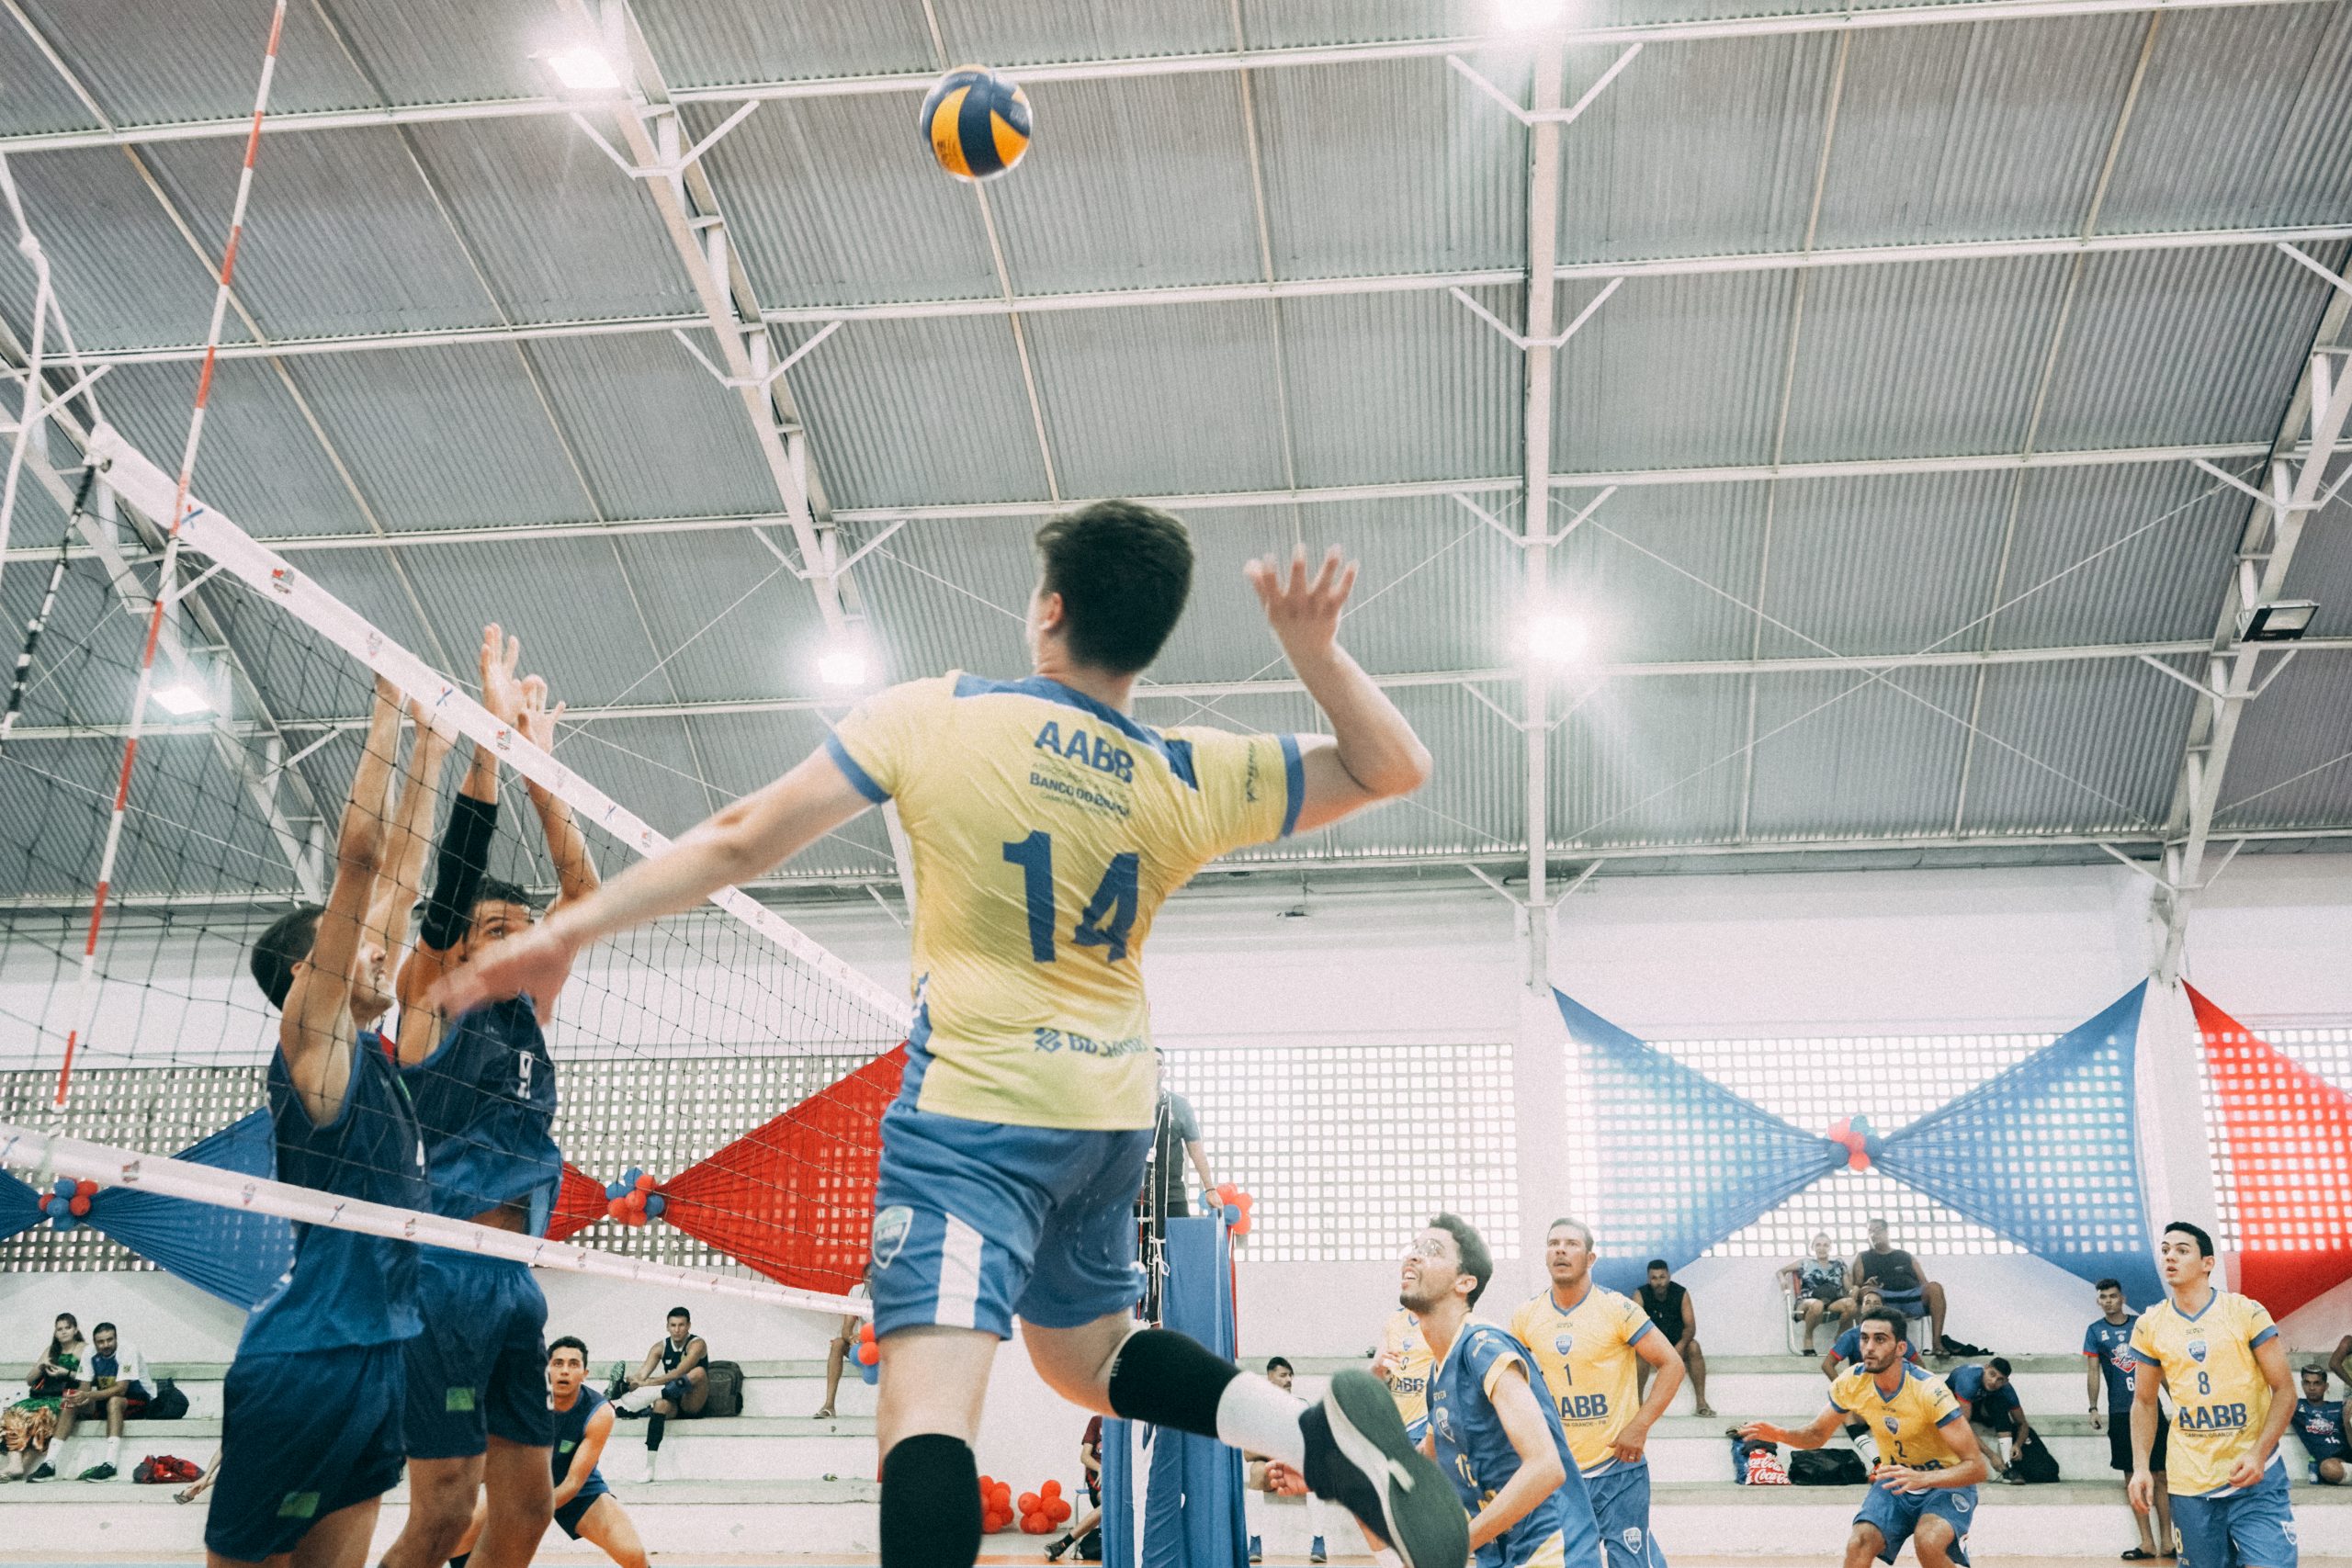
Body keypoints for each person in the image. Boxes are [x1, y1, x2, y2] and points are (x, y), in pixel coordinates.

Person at [437, 511, 1456, 1568]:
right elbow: (1395, 766)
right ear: (1150, 641)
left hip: (975, 1117)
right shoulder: (1182, 768)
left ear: (1049, 610)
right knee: (1086, 1358)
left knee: (925, 1417)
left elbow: (740, 838)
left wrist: (565, 932)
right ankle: (1309, 1435)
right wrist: (1314, 652)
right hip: (1109, 1119)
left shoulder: (939, 716)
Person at [208, 680, 435, 1568]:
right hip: (306, 1360)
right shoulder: (314, 1045)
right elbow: (365, 862)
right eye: (361, 947)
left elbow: (404, 874)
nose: (385, 947)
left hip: (380, 1350)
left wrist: (436, 740)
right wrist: (384, 711)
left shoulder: (370, 1048)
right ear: (316, 973)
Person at [383, 637, 595, 1568]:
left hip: (514, 1284)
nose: (519, 943)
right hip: (441, 1277)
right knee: (440, 1515)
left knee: (528, 1510)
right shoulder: (430, 996)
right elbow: (451, 893)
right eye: (497, 931)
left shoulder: (530, 1010)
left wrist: (541, 770)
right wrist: (484, 746)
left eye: (525, 930)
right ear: (462, 946)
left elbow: (585, 893)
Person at [1408, 1213, 1602, 1568]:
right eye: (1415, 1248)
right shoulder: (1438, 1374)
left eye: (1432, 1250)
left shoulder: (1483, 1346)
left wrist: (1453, 1546)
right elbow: (1423, 1461)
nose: (1414, 1256)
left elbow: (1546, 1468)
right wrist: (1325, 1473)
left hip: (1551, 1550)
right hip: (1500, 1553)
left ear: (1465, 1282)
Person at [1737, 1308, 1988, 1568]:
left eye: (1880, 1339)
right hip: (1895, 1482)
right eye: (1864, 1338)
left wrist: (1921, 1478)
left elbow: (1977, 1468)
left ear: (1900, 1347)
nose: (1869, 1347)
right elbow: (1817, 1435)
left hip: (1944, 1483)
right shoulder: (1853, 1381)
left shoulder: (1929, 1390)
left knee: (1928, 1542)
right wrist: (1779, 1434)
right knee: (1859, 1543)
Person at [1510, 1219, 1682, 1568]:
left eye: (1571, 1243)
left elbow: (1672, 1364)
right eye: (1553, 1243)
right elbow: (1512, 1384)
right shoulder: (1526, 1316)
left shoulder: (1618, 1309)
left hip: (1617, 1467)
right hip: (1560, 1470)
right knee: (1570, 1562)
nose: (1560, 1249)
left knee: (1633, 1560)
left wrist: (1640, 1425)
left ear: (1590, 1258)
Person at [2127, 1222, 2297, 1568]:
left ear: (2208, 1263)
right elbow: (2144, 1402)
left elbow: (2285, 1391)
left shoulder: (2246, 1312)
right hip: (2191, 1482)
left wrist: (2258, 1453)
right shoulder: (2150, 1324)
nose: (2170, 1256)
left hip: (2253, 1477)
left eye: (2182, 1250)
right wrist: (2141, 1467)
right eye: (2165, 1250)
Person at [450, 1337, 648, 1568]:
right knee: (458, 1538)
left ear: (585, 1373)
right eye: (558, 1363)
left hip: (577, 1489)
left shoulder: (600, 1412)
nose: (565, 1371)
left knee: (633, 1554)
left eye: (573, 1365)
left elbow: (574, 1482)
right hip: (519, 1487)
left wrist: (530, 1511)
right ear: (547, 1367)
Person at [2083, 1277, 2172, 1561]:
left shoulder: (2141, 1324)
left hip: (2150, 1408)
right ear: (2099, 1301)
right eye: (2103, 1297)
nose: (2108, 1300)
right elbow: (2094, 1371)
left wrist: (2178, 1400)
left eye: (2112, 1296)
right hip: (2121, 1413)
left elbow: (2161, 1366)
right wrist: (2093, 1407)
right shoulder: (2095, 1331)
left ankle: (2168, 1542)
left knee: (2161, 1476)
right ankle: (2147, 1542)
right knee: (2133, 1477)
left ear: (2122, 1297)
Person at [1245, 1359, 1331, 1565]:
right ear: (1269, 1378)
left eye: (1290, 1375)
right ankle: (1255, 1542)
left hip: (1295, 1467)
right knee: (1256, 1471)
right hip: (1271, 1467)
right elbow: (1248, 1453)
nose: (1289, 1380)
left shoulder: (1301, 1406)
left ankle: (1319, 1542)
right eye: (1283, 1375)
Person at [609, 1306, 708, 1481]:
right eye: (673, 1325)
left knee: (698, 1372)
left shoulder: (697, 1344)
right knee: (660, 1404)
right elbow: (642, 1375)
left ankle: (640, 1401)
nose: (677, 1330)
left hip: (692, 1401)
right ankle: (649, 1468)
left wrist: (649, 1385)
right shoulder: (659, 1347)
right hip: (672, 1401)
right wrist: (631, 1383)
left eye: (681, 1325)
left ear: (689, 1326)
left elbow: (679, 1372)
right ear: (667, 1327)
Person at [57, 1320, 149, 1480]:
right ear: (94, 1342)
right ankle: (50, 1462)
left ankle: (110, 1465)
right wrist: (77, 1397)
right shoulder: (89, 1352)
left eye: (110, 1340)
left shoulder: (128, 1350)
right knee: (70, 1403)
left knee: (114, 1400)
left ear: (116, 1338)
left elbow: (122, 1389)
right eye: (101, 1341)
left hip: (137, 1399)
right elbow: (84, 1388)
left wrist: (88, 1396)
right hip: (105, 1400)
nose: (106, 1345)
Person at [1850, 1221, 1951, 1359]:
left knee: (1935, 1288)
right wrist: (1867, 1286)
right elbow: (1858, 1284)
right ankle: (1868, 1347)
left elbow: (1924, 1282)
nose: (1874, 1234)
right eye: (1870, 1231)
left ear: (1887, 1232)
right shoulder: (1863, 1256)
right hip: (1883, 1300)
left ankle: (1937, 1344)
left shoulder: (1905, 1255)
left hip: (1911, 1298)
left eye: (1877, 1230)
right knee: (1867, 1292)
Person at [5, 1312, 85, 1482]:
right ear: (55, 1332)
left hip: (64, 1397)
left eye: (67, 1328)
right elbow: (29, 1380)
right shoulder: (51, 1350)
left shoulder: (83, 1348)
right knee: (13, 1412)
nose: (63, 1332)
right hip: (42, 1396)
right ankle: (15, 1462)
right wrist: (42, 1367)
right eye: (59, 1329)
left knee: (41, 1417)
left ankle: (21, 1467)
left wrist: (67, 1372)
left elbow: (89, 1378)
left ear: (75, 1329)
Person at [1635, 1261, 1713, 1418]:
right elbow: (1635, 1326)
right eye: (1654, 1278)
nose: (1659, 1282)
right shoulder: (1640, 1294)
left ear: (1669, 1276)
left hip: (1677, 1344)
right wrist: (1654, 1347)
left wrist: (1680, 1346)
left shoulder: (1681, 1293)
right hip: (1652, 1345)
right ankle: (1638, 1404)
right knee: (1639, 1352)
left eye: (1662, 1277)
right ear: (1649, 1279)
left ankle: (1701, 1403)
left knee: (1694, 1347)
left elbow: (1690, 1327)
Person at [1947, 1360, 2030, 1484]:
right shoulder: (1968, 1380)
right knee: (1954, 1421)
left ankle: (2008, 1466)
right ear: (1986, 1368)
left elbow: (2022, 1423)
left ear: (2006, 1381)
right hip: (1951, 1405)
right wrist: (1991, 1455)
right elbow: (1962, 1426)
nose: (1994, 1381)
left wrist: (2018, 1444)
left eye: (2000, 1379)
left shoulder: (2006, 1389)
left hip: (1976, 1405)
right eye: (1992, 1374)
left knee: (2000, 1404)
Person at [1779, 1234, 1857, 1356]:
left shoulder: (1839, 1264)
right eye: (1818, 1245)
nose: (1822, 1248)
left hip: (1833, 1301)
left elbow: (1848, 1287)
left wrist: (1853, 1289)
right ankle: (1808, 1339)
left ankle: (1840, 1337)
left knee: (1851, 1304)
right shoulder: (1805, 1262)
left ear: (1830, 1248)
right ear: (1813, 1247)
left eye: (1826, 1245)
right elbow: (1780, 1271)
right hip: (1808, 1302)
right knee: (1817, 1304)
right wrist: (1783, 1280)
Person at [1046, 1416, 1105, 1563]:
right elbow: (1084, 1456)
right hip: (1098, 1475)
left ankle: (1063, 1544)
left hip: (1120, 1477)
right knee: (1108, 1503)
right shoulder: (1097, 1421)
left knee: (1112, 1506)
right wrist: (1100, 1468)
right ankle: (1064, 1543)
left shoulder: (1129, 1424)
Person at [1373, 1307, 1433, 1445]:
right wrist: (1379, 1366)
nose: (1404, 1284)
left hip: (1422, 1422)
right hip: (1392, 1423)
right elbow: (1374, 1375)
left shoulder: (1441, 1319)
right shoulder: (1394, 1319)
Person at [817, 1271, 873, 1419]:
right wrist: (851, 1338)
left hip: (886, 1345)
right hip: (864, 1348)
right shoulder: (857, 1291)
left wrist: (870, 1337)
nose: (874, 1280)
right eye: (870, 1277)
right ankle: (829, 1406)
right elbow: (846, 1328)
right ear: (864, 1279)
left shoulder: (894, 1291)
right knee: (838, 1343)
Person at [2292, 1366, 2346, 1485]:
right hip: (2330, 1465)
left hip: (2348, 1456)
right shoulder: (2296, 1407)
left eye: (2317, 1383)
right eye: (2307, 1383)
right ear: (2302, 1384)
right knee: (2329, 1468)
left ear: (2325, 1386)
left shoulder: (2339, 1407)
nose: (2311, 1388)